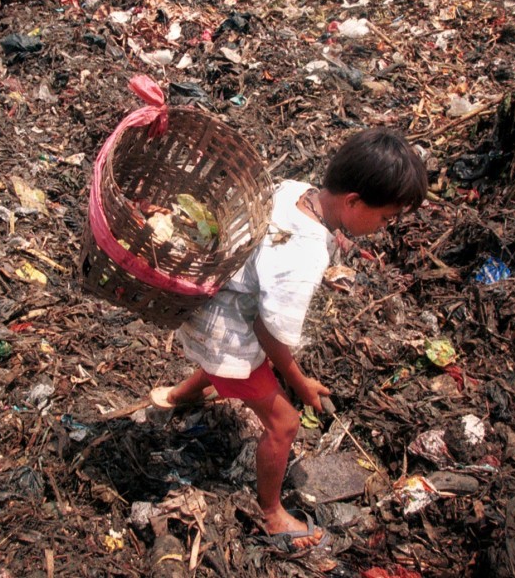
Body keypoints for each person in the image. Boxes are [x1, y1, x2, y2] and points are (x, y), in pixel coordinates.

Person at [149, 128, 428, 551]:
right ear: (353, 201)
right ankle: (271, 512)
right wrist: (300, 384)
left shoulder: (298, 191)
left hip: (211, 300)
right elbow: (269, 333)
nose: (384, 227)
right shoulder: (306, 253)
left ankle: (181, 394)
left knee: (238, 367)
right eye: (385, 218)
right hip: (225, 330)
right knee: (285, 422)